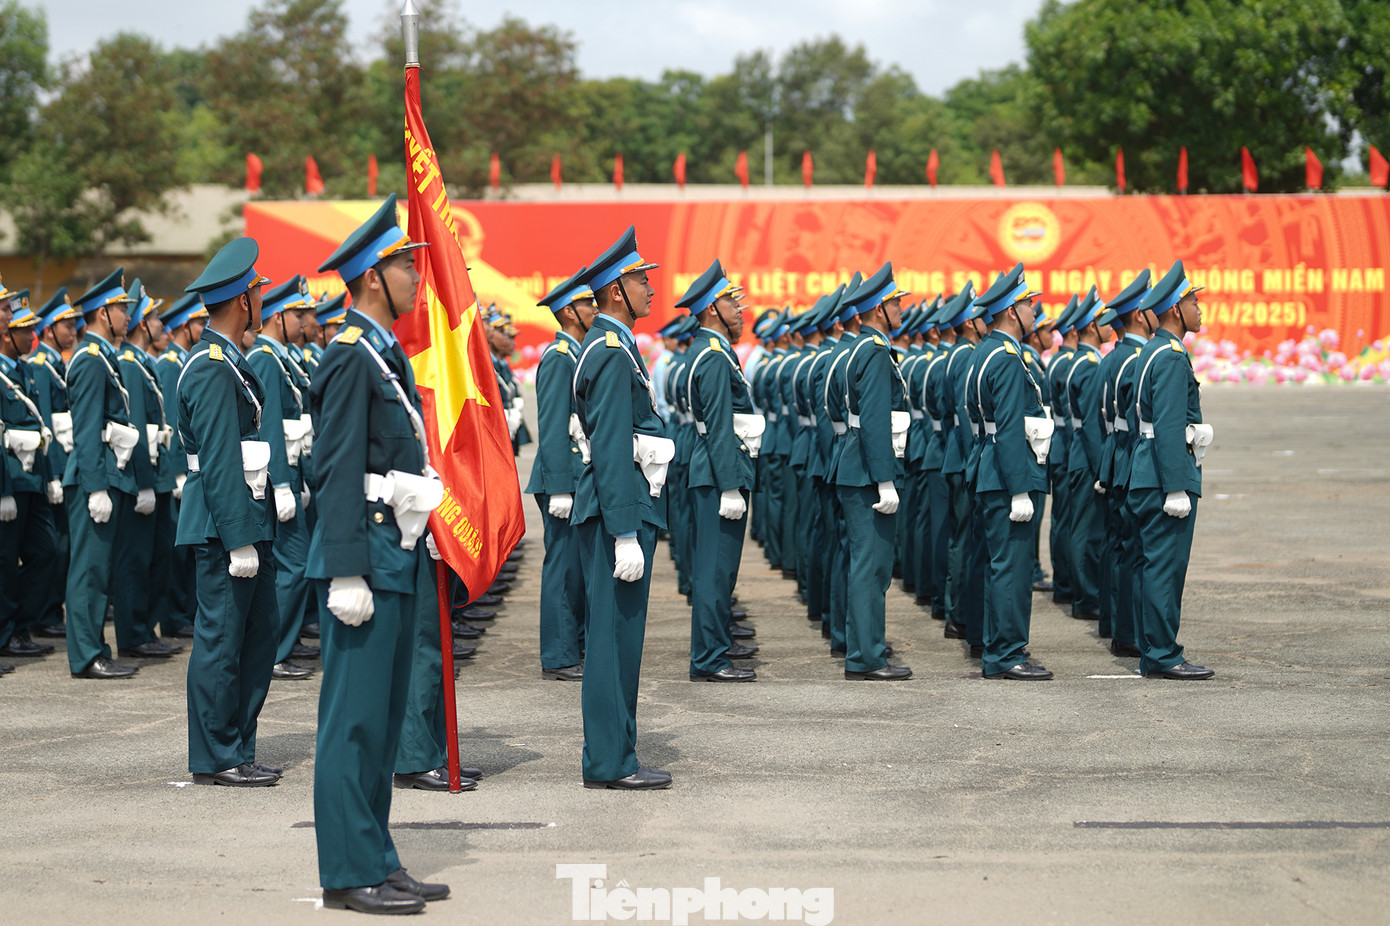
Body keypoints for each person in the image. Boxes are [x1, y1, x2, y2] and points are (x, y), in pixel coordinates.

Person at [308, 194, 450, 912]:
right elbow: (332, 468)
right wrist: (343, 569)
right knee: (353, 721)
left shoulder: (380, 350)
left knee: (384, 721)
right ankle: (347, 871)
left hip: (394, 549)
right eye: (406, 268)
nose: (417, 280)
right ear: (372, 277)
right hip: (364, 554)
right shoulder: (347, 355)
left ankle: (377, 856)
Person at [570, 226, 672, 790]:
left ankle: (618, 751)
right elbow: (609, 445)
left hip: (627, 505)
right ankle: (609, 761)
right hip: (619, 512)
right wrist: (624, 532)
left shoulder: (619, 348)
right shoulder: (609, 352)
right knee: (612, 640)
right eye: (640, 281)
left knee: (623, 640)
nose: (650, 290)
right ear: (614, 292)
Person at [177, 240, 282, 784]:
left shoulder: (228, 360)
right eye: (259, 292)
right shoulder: (212, 367)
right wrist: (239, 537)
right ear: (243, 300)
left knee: (258, 635)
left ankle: (237, 744)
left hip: (246, 517)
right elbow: (218, 460)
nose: (262, 300)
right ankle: (217, 755)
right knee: (222, 641)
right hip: (225, 526)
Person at [966, 264, 1053, 680]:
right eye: (1028, 304)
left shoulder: (987, 351)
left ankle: (997, 646)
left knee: (999, 564)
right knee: (1012, 567)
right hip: (1007, 476)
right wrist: (1020, 490)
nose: (1034, 311)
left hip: (991, 472)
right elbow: (1008, 427)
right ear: (1011, 312)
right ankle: (1005, 654)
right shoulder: (1003, 358)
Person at [1129, 260, 1215, 680]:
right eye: (1194, 301)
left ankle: (1157, 650)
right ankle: (1163, 654)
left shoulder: (1156, 350)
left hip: (1150, 471)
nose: (1201, 308)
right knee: (1165, 567)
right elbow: (1164, 425)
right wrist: (1176, 486)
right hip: (1163, 476)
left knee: (1157, 566)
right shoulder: (1168, 356)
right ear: (1177, 310)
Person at [676, 260, 760, 682]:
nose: (739, 309)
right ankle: (709, 658)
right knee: (714, 570)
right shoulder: (711, 357)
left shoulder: (715, 351)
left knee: (720, 569)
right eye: (731, 301)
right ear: (711, 308)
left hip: (716, 469)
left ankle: (716, 645)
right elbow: (719, 426)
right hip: (717, 473)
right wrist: (730, 485)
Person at [832, 263, 913, 681]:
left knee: (865, 564)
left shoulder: (859, 349)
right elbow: (877, 420)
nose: (902, 308)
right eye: (897, 302)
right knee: (871, 567)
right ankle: (866, 657)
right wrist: (885, 478)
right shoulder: (876, 352)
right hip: (867, 473)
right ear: (880, 308)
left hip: (855, 467)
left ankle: (864, 650)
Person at [63, 270, 143, 680]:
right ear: (101, 313)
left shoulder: (104, 357)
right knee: (89, 571)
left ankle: (96, 647)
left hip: (112, 475)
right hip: (96, 477)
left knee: (101, 569)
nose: (127, 316)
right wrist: (96, 487)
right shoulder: (90, 360)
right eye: (120, 309)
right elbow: (88, 429)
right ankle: (87, 654)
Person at [525, 267, 596, 682]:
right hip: (562, 480)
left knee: (577, 570)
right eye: (588, 303)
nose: (594, 308)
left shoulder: (574, 354)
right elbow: (552, 425)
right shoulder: (558, 358)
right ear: (570, 311)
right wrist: (559, 486)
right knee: (563, 570)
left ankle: (574, 645)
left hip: (573, 477)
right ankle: (559, 654)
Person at [246, 276, 318, 682]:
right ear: (279, 317)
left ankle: (278, 647)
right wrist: (279, 485)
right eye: (301, 314)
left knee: (292, 564)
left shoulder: (281, 358)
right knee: (294, 564)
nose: (309, 321)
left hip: (291, 474)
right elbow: (269, 426)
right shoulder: (265, 360)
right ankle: (272, 652)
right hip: (277, 480)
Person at [115, 280, 183, 659]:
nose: (162, 325)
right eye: (155, 318)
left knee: (157, 556)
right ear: (144, 324)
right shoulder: (129, 363)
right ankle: (133, 634)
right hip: (144, 476)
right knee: (136, 559)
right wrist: (143, 482)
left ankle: (147, 628)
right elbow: (137, 428)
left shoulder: (143, 362)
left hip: (156, 475)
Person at [1093, 269, 1152, 653]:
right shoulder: (1135, 358)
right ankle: (1127, 632)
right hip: (1129, 455)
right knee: (1131, 548)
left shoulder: (1111, 358)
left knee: (1116, 544)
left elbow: (1100, 414)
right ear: (1138, 315)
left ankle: (1112, 622)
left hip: (1112, 454)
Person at [0, 293, 60, 662]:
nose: (29, 336)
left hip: (33, 479)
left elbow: (41, 430)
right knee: (6, 560)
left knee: (46, 551)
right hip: (10, 480)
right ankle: (9, 632)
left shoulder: (22, 371)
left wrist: (50, 477)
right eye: (7, 312)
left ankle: (20, 622)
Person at [155, 293, 209, 640]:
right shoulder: (170, 364)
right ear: (184, 327)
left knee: (188, 551)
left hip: (187, 469)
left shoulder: (183, 360)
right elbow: (172, 423)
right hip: (179, 469)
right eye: (199, 322)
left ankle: (184, 611)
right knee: (177, 552)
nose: (204, 327)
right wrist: (177, 468)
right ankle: (174, 616)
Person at [28, 289, 80, 639]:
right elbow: (45, 423)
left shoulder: (56, 363)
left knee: (63, 546)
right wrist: (54, 472)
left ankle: (50, 610)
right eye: (66, 324)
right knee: (56, 546)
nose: (73, 328)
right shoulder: (40, 366)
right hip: (54, 470)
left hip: (64, 466)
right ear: (48, 329)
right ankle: (45, 612)